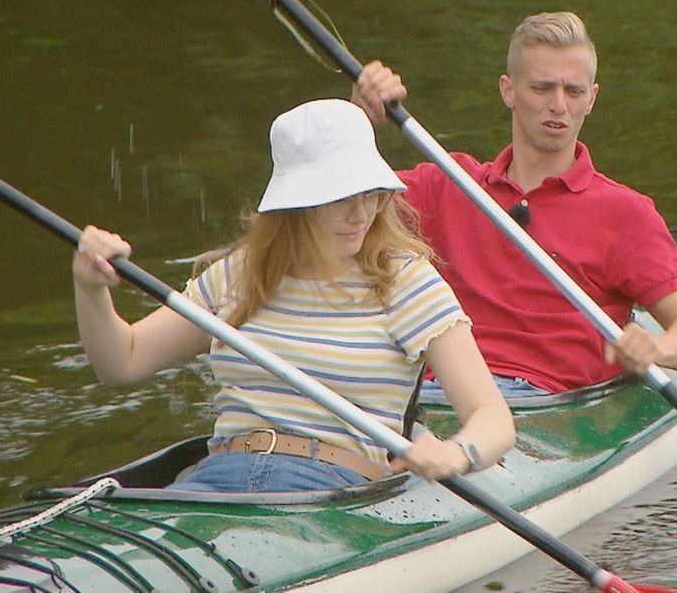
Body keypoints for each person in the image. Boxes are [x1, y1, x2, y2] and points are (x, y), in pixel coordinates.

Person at [72, 98, 515, 492]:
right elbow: (122, 361)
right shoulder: (241, 273)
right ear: (297, 203)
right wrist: (89, 288)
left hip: (331, 490)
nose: (361, 214)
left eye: (373, 195)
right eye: (341, 198)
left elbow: (493, 419)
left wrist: (457, 453)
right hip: (215, 476)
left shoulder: (406, 282)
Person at [352, 11, 677, 395]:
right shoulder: (448, 182)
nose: (559, 105)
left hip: (547, 407)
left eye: (573, 92)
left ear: (591, 99)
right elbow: (336, 211)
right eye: (542, 88)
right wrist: (358, 120)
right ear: (508, 90)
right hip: (443, 391)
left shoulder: (627, 213)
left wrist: (655, 347)